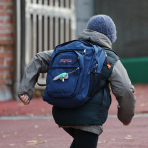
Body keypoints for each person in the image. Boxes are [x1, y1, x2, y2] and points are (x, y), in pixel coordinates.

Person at [18, 15, 136, 148]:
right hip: (89, 119)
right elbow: (126, 89)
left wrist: (25, 90)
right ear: (110, 37)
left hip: (62, 112)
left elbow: (38, 59)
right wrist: (125, 118)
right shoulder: (109, 57)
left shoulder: (68, 49)